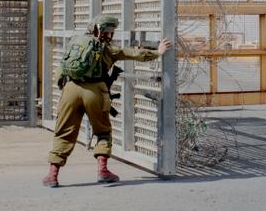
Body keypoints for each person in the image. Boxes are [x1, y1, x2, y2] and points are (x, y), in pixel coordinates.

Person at [42, 14, 172, 187]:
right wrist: (158, 52)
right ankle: (103, 170)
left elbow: (62, 70)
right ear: (105, 31)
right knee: (103, 131)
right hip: (95, 91)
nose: (111, 35)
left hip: (70, 90)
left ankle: (52, 175)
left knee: (63, 131)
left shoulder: (76, 41)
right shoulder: (109, 49)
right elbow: (134, 53)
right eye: (110, 32)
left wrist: (66, 89)